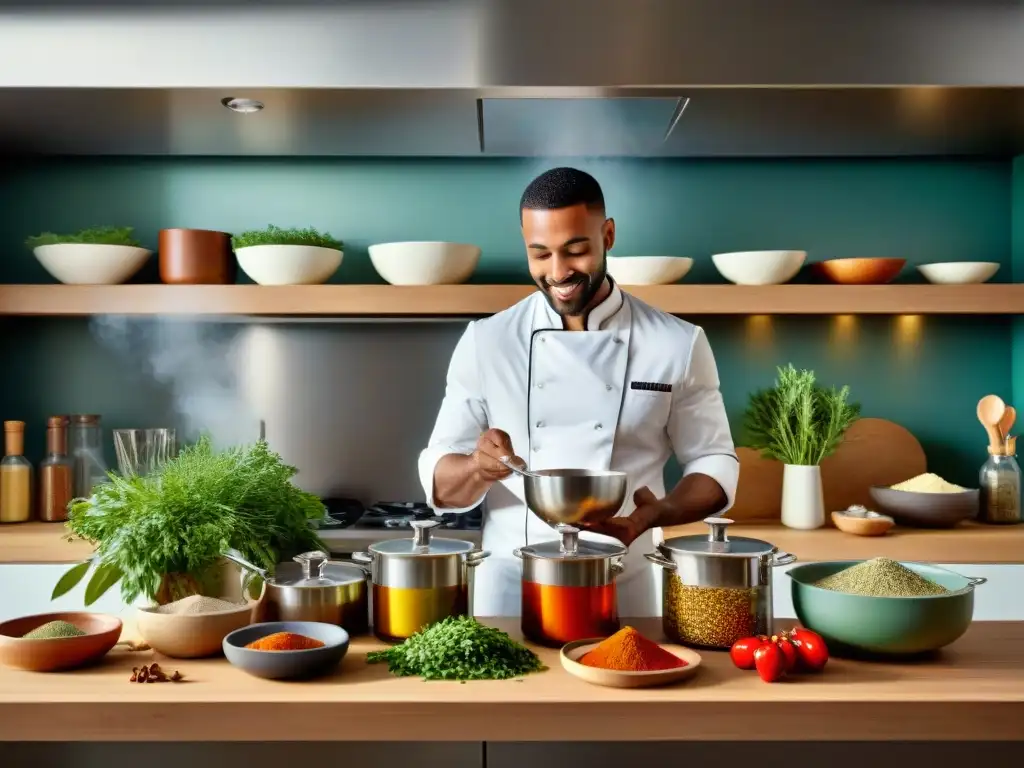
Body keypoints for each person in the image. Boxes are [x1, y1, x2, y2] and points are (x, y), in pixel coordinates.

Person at [417, 166, 739, 618]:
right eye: (540, 254)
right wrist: (476, 466)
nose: (558, 271)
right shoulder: (487, 340)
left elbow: (714, 460)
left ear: (607, 235)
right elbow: (442, 480)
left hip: (624, 584)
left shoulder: (677, 343)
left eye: (575, 250)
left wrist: (657, 513)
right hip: (511, 587)